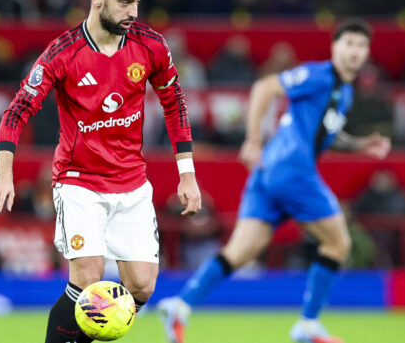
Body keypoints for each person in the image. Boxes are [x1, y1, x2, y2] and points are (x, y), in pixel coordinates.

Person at [0, 0, 202, 343]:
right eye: (124, 2)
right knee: (87, 279)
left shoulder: (150, 45)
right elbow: (17, 110)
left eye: (137, 2)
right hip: (79, 182)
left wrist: (187, 174)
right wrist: (4, 174)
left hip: (132, 184)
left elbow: (175, 104)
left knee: (141, 288)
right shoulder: (63, 53)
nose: (134, 12)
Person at [158, 19, 391, 343]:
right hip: (291, 170)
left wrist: (361, 144)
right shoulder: (319, 74)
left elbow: (327, 135)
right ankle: (308, 324)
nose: (354, 51)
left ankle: (180, 306)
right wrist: (253, 140)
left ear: (367, 53)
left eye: (360, 45)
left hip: (267, 175)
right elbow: (264, 87)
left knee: (239, 251)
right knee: (338, 243)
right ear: (335, 47)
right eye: (348, 43)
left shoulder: (345, 92)